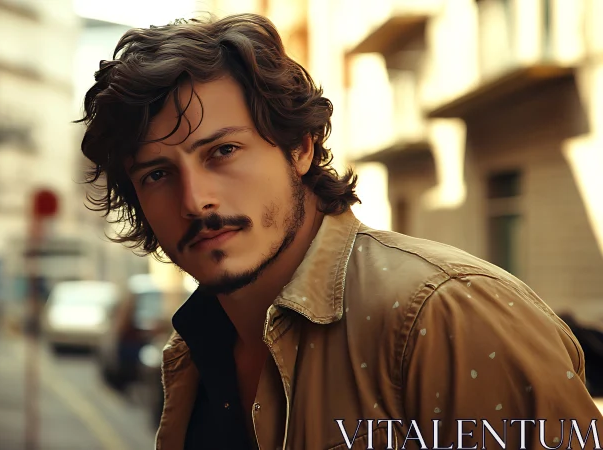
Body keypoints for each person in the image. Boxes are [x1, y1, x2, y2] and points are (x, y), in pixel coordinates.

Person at [77, 13, 603, 450]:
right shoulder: (193, 350)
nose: (195, 200)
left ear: (299, 147)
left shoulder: (444, 314)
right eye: (158, 174)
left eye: (223, 151)